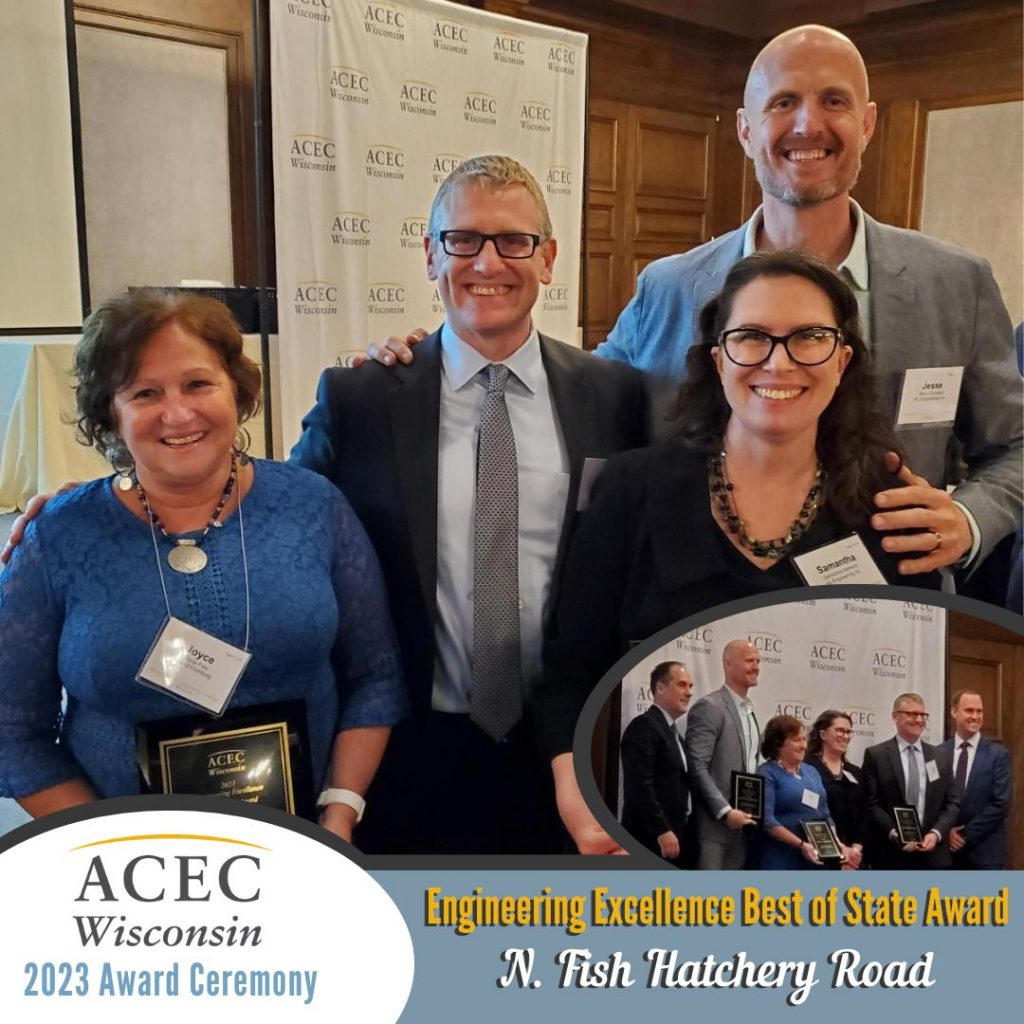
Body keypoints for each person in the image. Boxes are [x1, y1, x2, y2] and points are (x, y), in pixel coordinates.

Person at [366, 25, 1021, 582]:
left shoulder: (955, 284)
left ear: (869, 122)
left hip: (888, 612)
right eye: (783, 102)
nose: (807, 124)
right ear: (743, 129)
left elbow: (1015, 447)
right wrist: (445, 357)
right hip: (695, 613)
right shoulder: (670, 287)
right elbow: (567, 393)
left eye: (834, 101)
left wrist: (969, 517)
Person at [289, 155, 649, 854]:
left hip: (571, 756)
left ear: (547, 258)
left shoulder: (616, 397)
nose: (489, 261)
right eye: (464, 239)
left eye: (514, 241)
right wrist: (115, 499)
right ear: (430, 255)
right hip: (408, 754)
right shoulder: (361, 399)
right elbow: (269, 515)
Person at [0, 291, 406, 843]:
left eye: (198, 384)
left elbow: (375, 676)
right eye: (145, 392)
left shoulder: (314, 507)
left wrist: (340, 810)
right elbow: (12, 731)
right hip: (128, 870)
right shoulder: (59, 538)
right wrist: (109, 845)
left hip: (311, 842)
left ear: (236, 392)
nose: (178, 412)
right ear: (109, 414)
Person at [536, 251, 942, 746]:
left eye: (809, 337)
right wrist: (573, 787)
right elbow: (569, 677)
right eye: (751, 336)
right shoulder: (631, 489)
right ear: (718, 358)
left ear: (842, 361)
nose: (779, 361)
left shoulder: (892, 509)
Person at [680, 640, 762, 870]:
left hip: (742, 828)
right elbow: (697, 765)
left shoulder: (750, 713)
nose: (756, 666)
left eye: (758, 661)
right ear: (727, 664)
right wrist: (724, 810)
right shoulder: (711, 707)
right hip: (712, 829)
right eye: (749, 660)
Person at [862, 692, 960, 869]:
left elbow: (952, 803)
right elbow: (871, 802)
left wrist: (936, 833)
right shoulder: (876, 756)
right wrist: (894, 833)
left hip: (933, 856)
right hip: (891, 855)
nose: (919, 720)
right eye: (912, 714)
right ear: (895, 716)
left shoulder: (940, 757)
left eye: (923, 715)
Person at [619, 662, 693, 864]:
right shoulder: (644, 726)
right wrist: (662, 830)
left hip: (676, 836)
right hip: (649, 839)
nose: (689, 692)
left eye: (690, 687)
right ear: (660, 688)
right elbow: (640, 784)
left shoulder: (675, 734)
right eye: (682, 685)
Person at [752, 715, 844, 870]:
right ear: (778, 744)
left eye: (804, 739)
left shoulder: (812, 771)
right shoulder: (767, 772)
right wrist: (801, 844)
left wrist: (836, 842)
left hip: (814, 858)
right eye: (796, 740)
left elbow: (825, 813)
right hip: (780, 857)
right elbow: (767, 821)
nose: (803, 745)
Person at [939, 690, 1011, 869]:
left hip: (985, 854)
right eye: (969, 710)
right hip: (945, 855)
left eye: (979, 711)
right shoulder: (938, 753)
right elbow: (933, 800)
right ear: (954, 712)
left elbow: (1001, 804)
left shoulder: (998, 755)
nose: (975, 716)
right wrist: (945, 831)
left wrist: (964, 835)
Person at [805, 709, 868, 869]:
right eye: (840, 730)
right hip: (819, 855)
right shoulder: (807, 768)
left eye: (848, 732)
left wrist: (854, 852)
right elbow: (809, 813)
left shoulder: (855, 772)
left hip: (854, 860)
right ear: (823, 735)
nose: (845, 736)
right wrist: (840, 851)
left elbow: (865, 814)